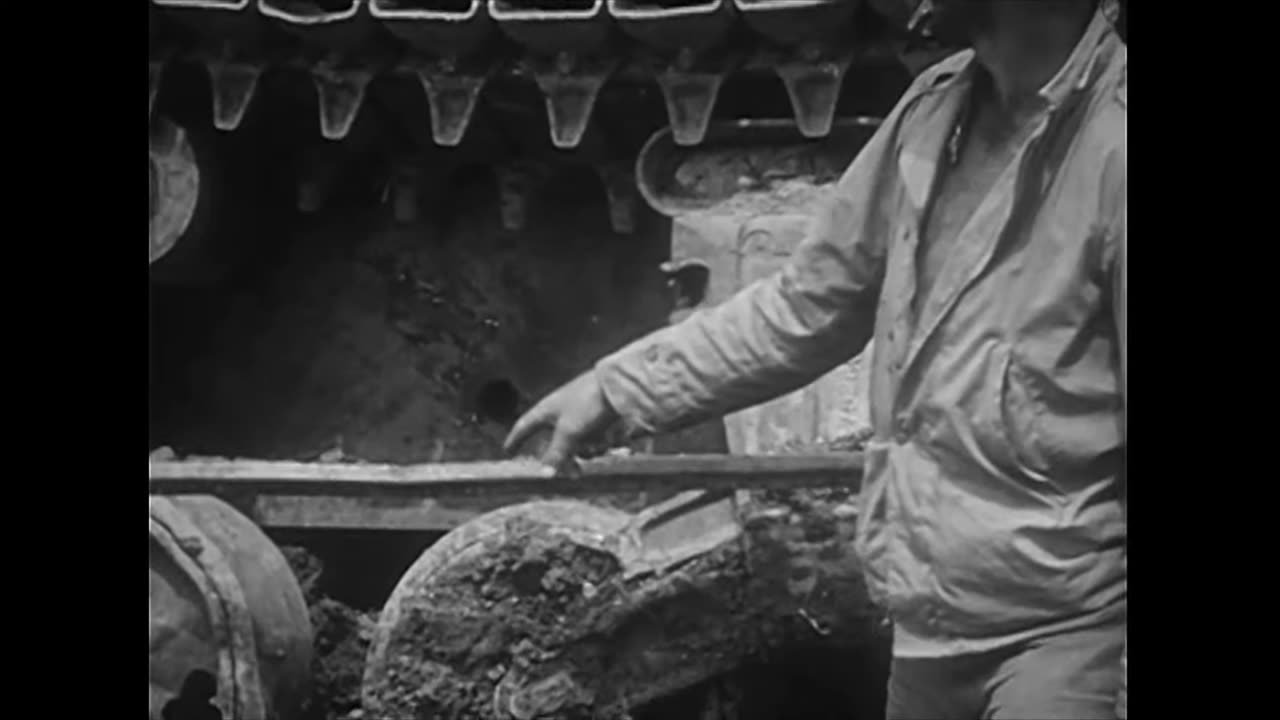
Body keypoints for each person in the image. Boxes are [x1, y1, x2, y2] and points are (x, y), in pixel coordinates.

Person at [505, 1, 1126, 718]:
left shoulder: (1114, 146)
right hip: (930, 630)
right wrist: (616, 390)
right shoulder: (933, 115)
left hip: (1066, 643)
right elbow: (808, 308)